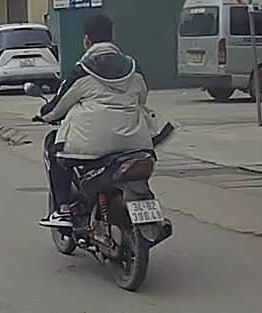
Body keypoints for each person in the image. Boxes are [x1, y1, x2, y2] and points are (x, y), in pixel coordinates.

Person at [34, 14, 171, 228]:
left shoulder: (82, 71)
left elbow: (57, 107)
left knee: (54, 148)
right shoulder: (134, 68)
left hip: (93, 146)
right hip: (136, 144)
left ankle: (63, 210)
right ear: (111, 37)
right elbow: (142, 98)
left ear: (87, 40)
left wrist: (43, 114)